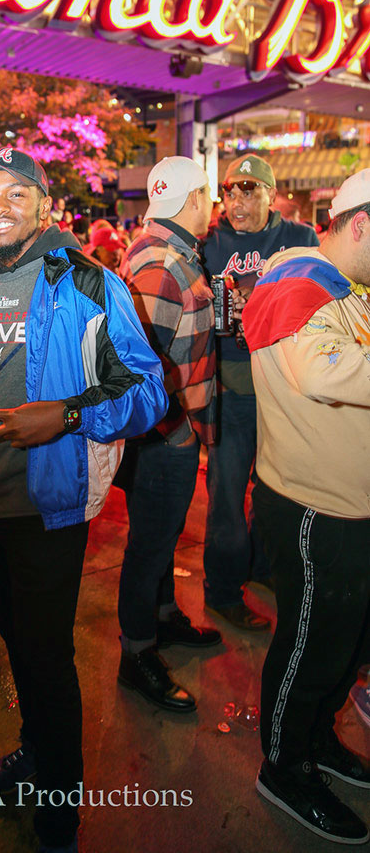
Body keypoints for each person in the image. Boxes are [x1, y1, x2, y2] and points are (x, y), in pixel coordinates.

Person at [0, 146, 168, 853]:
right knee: (19, 648)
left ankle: (59, 812)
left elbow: (146, 391)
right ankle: (35, 757)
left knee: (47, 660)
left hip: (44, 511)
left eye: (16, 193)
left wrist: (63, 413)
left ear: (43, 206)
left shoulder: (87, 283)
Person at [242, 169, 370, 845]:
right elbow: (321, 371)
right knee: (309, 647)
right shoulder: (299, 278)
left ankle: (317, 741)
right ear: (360, 224)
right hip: (314, 508)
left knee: (344, 644)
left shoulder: (347, 286)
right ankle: (283, 765)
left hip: (350, 503)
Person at [117, 156, 221, 714]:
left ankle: (161, 619)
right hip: (163, 440)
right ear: (193, 198)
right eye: (209, 195)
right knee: (149, 547)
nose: (215, 206)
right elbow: (140, 373)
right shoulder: (162, 260)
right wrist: (177, 431)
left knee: (158, 541)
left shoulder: (165, 249)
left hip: (167, 435)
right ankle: (137, 654)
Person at [201, 154, 319, 631]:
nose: (237, 200)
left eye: (249, 190)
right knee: (226, 494)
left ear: (272, 194)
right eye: (230, 190)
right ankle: (224, 590)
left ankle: (263, 567)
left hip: (286, 387)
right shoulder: (207, 242)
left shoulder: (299, 238)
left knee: (277, 491)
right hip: (232, 390)